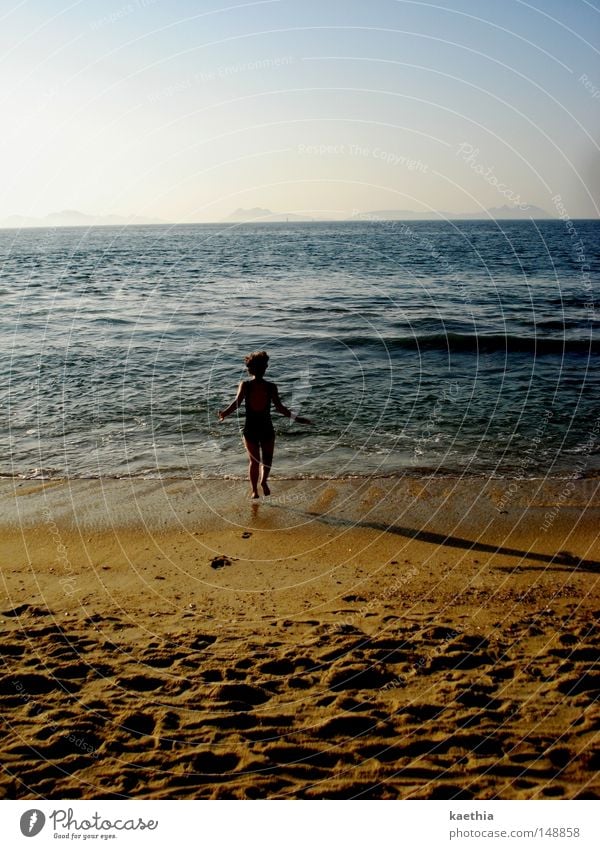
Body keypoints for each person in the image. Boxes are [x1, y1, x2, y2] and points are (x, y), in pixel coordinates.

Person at [218, 351, 312, 498]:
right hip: (266, 428)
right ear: (264, 368)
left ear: (251, 369)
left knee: (254, 462)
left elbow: (236, 404)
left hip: (250, 429)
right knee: (267, 459)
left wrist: (224, 413)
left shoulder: (246, 385)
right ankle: (263, 482)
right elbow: (280, 409)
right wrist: (297, 418)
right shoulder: (270, 387)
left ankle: (255, 490)